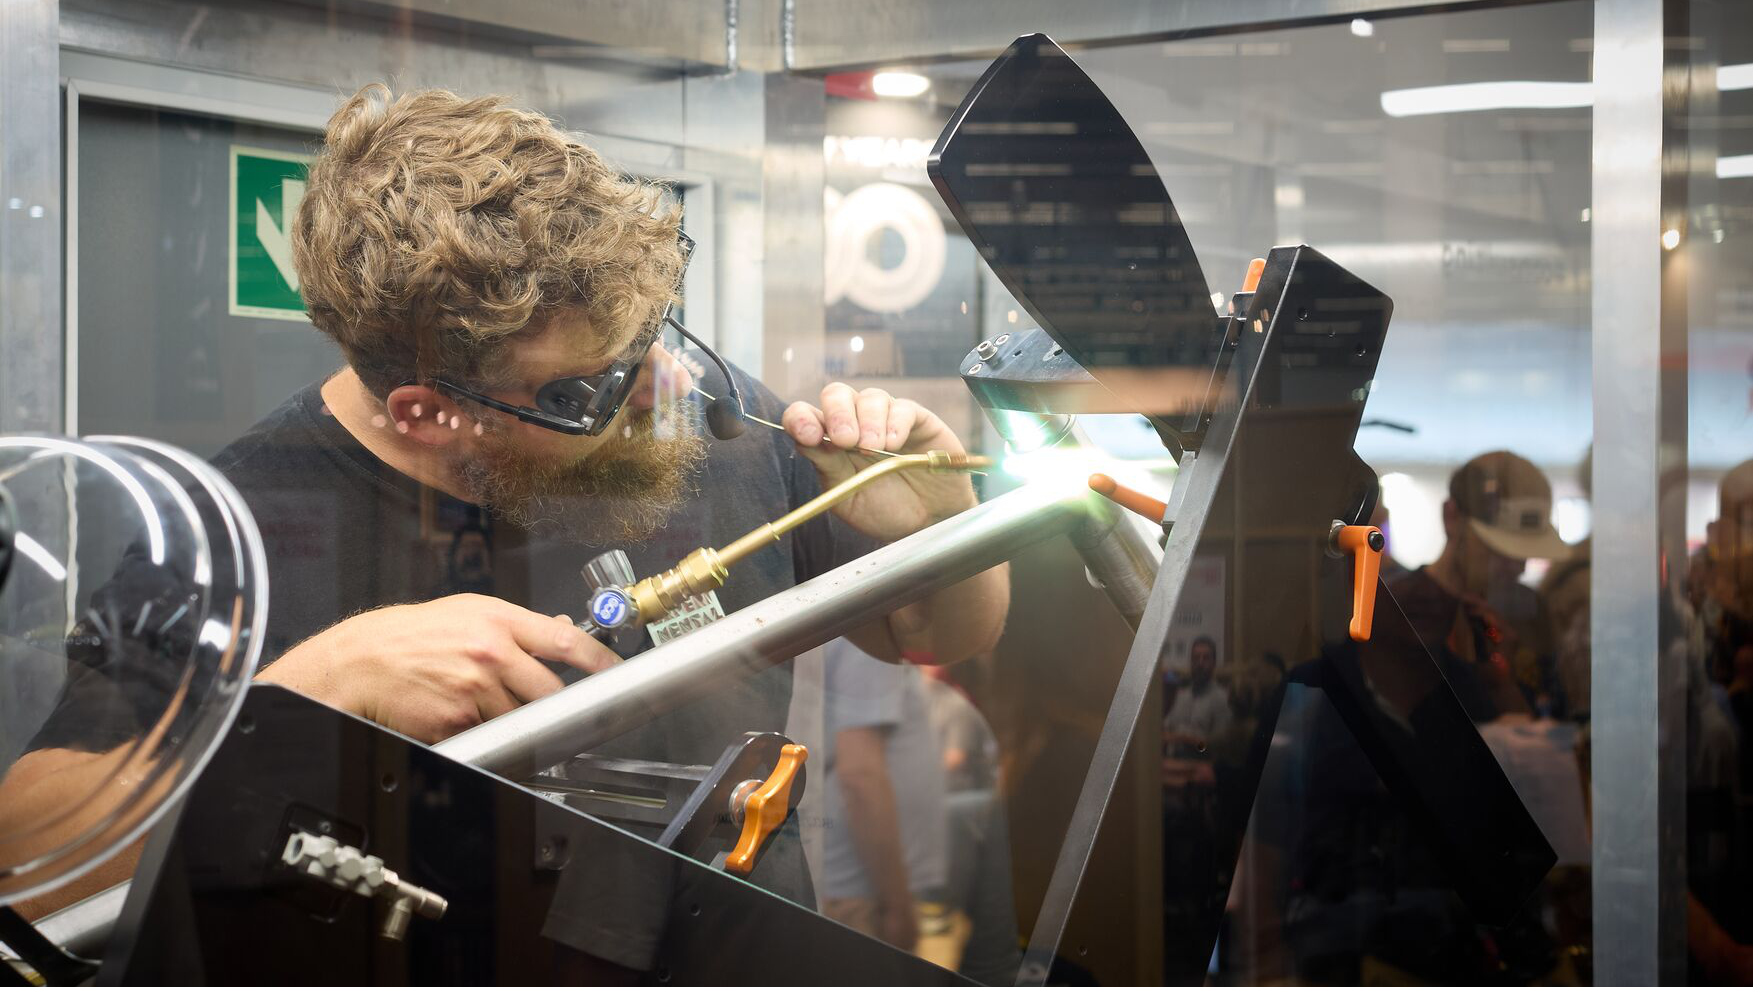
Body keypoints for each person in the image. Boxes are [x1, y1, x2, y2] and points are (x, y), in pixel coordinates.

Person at [4, 85, 1011, 952]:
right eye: (590, 387)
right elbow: (30, 860)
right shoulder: (249, 524)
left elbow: (934, 630)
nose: (655, 388)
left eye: (654, 336)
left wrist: (934, 520)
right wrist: (307, 697)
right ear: (427, 413)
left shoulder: (691, 405)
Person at [1388, 450, 1568, 722]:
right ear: (1452, 518)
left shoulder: (1530, 613)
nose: (1518, 567)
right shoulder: (1396, 613)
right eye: (1500, 549)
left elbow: (1551, 725)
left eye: (1524, 553)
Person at [1163, 635, 1231, 758]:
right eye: (1195, 658)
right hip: (1173, 760)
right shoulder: (1181, 695)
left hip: (1201, 764)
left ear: (1214, 662)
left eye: (1205, 658)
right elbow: (1167, 729)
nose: (1200, 663)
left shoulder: (1221, 699)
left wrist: (1185, 739)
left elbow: (1220, 745)